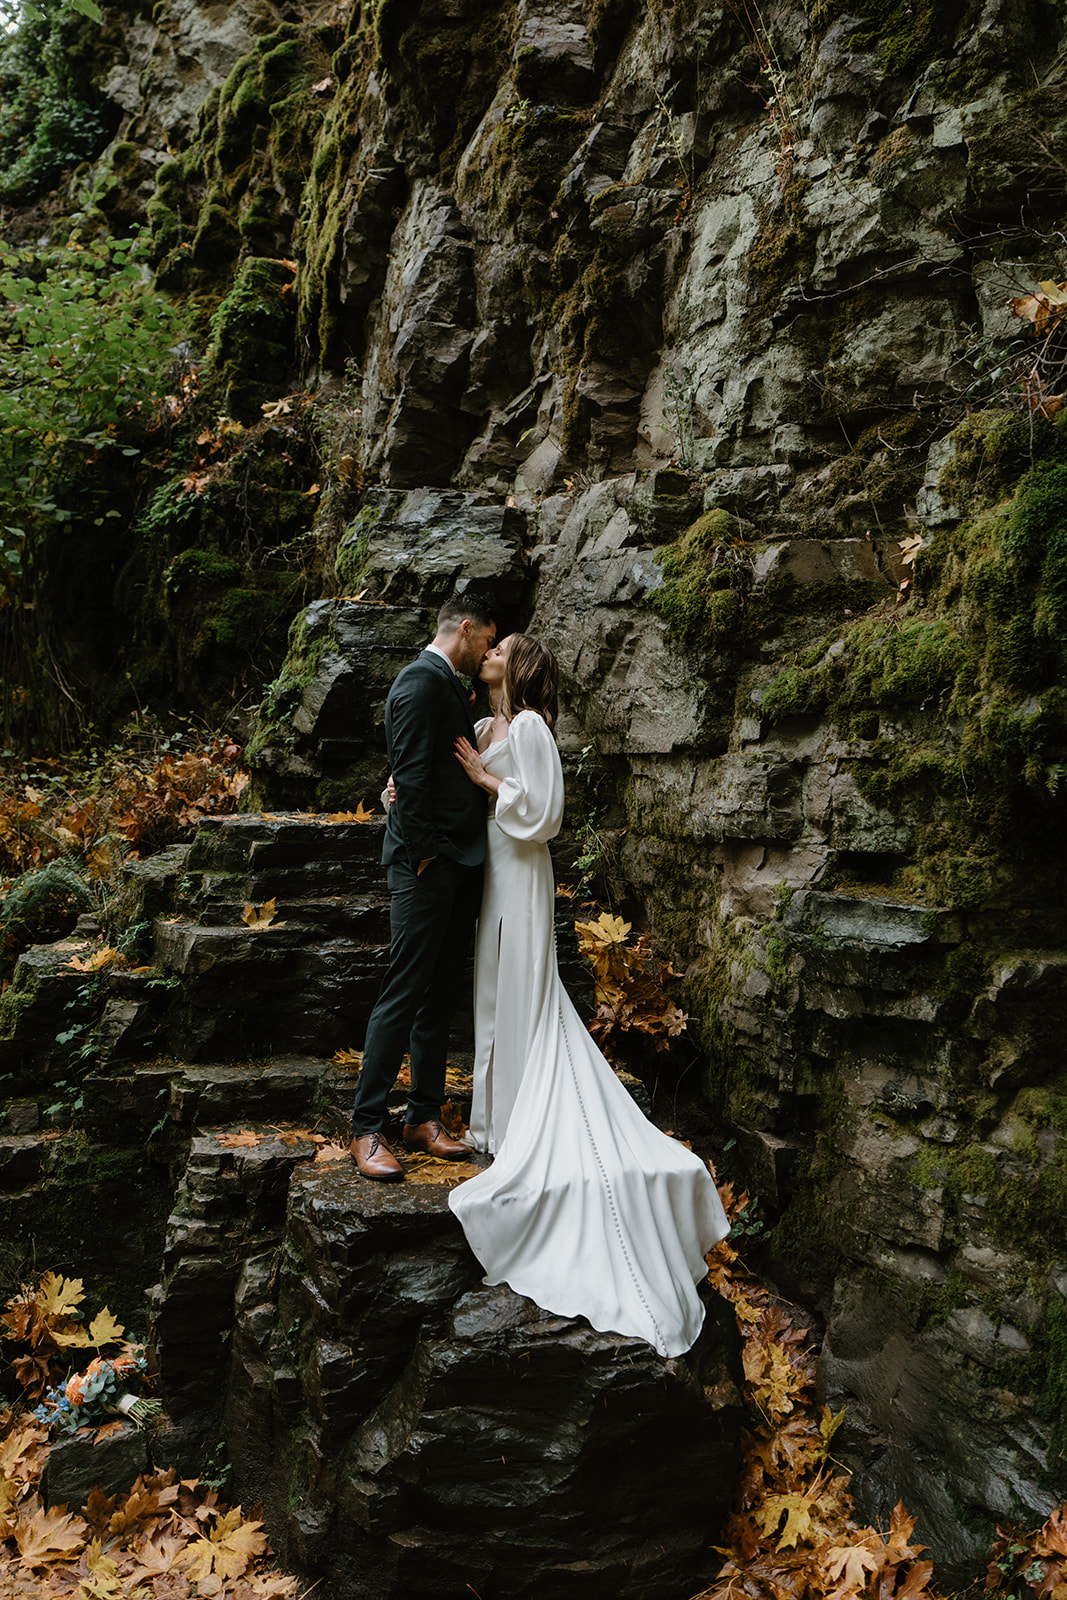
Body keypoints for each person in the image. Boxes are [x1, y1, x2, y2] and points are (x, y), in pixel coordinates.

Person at [448, 633, 730, 1359]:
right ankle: (496, 1123)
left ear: (521, 666)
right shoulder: (483, 727)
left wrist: (488, 783)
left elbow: (544, 816)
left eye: (501, 648)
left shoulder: (533, 728)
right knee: (492, 992)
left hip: (523, 866)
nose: (489, 652)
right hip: (490, 871)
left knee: (523, 988)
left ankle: (521, 1128)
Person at [348, 592, 496, 1182]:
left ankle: (423, 1116)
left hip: (459, 863)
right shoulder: (418, 681)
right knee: (404, 990)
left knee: (438, 996)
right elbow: (407, 779)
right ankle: (366, 1127)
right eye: (487, 638)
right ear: (466, 628)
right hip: (426, 866)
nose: (488, 650)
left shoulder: (446, 685)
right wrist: (427, 857)